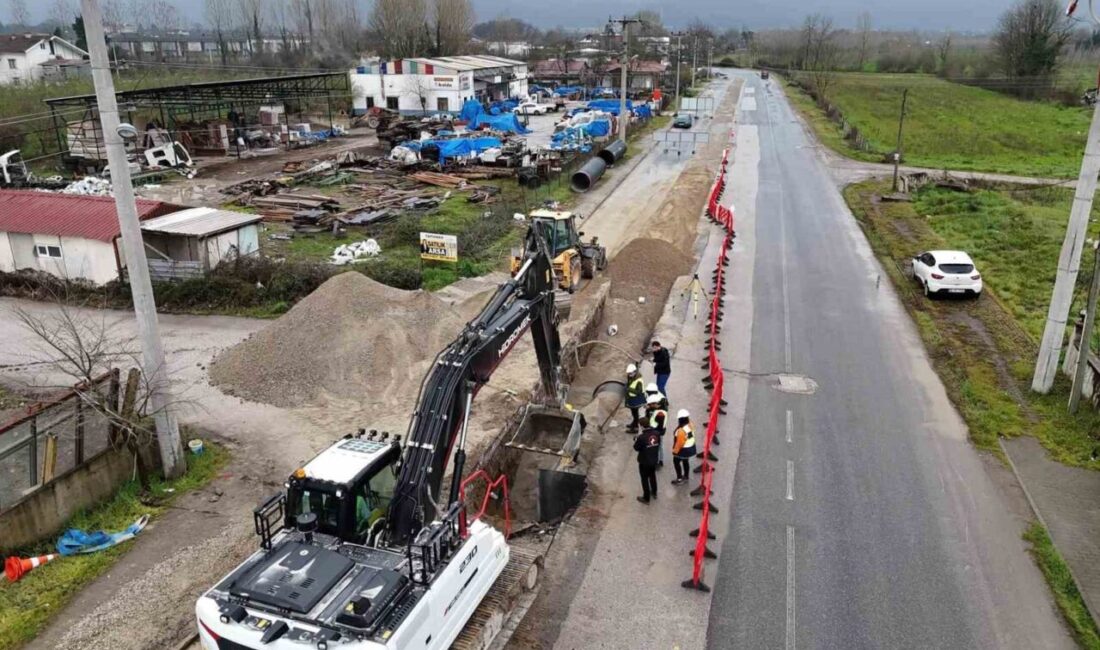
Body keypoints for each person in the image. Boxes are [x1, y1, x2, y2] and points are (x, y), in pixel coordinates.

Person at [633, 426, 661, 503]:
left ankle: (646, 498)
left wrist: (636, 440)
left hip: (644, 461)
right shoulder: (657, 433)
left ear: (641, 426)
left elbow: (636, 448)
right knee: (652, 476)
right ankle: (654, 492)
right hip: (654, 460)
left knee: (644, 479)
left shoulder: (641, 437)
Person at [671, 409, 697, 485]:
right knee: (685, 461)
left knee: (676, 462)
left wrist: (675, 451)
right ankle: (686, 476)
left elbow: (679, 443)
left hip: (683, 450)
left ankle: (679, 479)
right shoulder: (690, 425)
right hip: (690, 447)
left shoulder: (680, 431)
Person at [645, 393, 668, 468]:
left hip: (657, 432)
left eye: (650, 404)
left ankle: (658, 462)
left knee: (657, 447)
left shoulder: (660, 414)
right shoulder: (659, 409)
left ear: (655, 403)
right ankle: (660, 460)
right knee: (659, 446)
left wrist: (653, 431)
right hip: (657, 431)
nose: (649, 406)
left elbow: (660, 426)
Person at [625, 363, 646, 432]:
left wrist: (629, 389)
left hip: (637, 399)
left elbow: (638, 392)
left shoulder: (639, 381)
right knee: (633, 413)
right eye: (628, 373)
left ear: (634, 372)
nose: (629, 375)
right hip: (632, 398)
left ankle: (635, 427)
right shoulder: (631, 377)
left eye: (630, 373)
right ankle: (634, 423)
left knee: (635, 413)